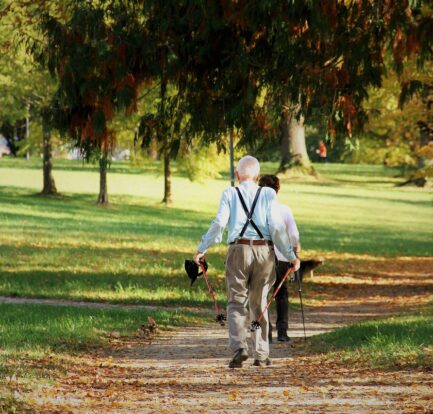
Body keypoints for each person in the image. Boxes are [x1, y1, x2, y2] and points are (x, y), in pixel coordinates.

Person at [193, 155, 300, 368]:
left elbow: (219, 224)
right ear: (257, 176)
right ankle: (261, 353)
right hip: (264, 252)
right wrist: (291, 256)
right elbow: (277, 228)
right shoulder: (268, 194)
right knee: (259, 302)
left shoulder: (229, 193)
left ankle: (239, 347)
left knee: (235, 302)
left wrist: (202, 249)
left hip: (238, 250)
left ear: (237, 175)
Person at [259, 175, 300, 343]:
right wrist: (295, 253)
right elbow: (293, 235)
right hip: (283, 257)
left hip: (262, 256)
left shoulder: (257, 210)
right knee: (281, 294)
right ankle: (282, 331)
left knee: (262, 294)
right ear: (278, 190)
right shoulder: (284, 210)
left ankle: (265, 333)